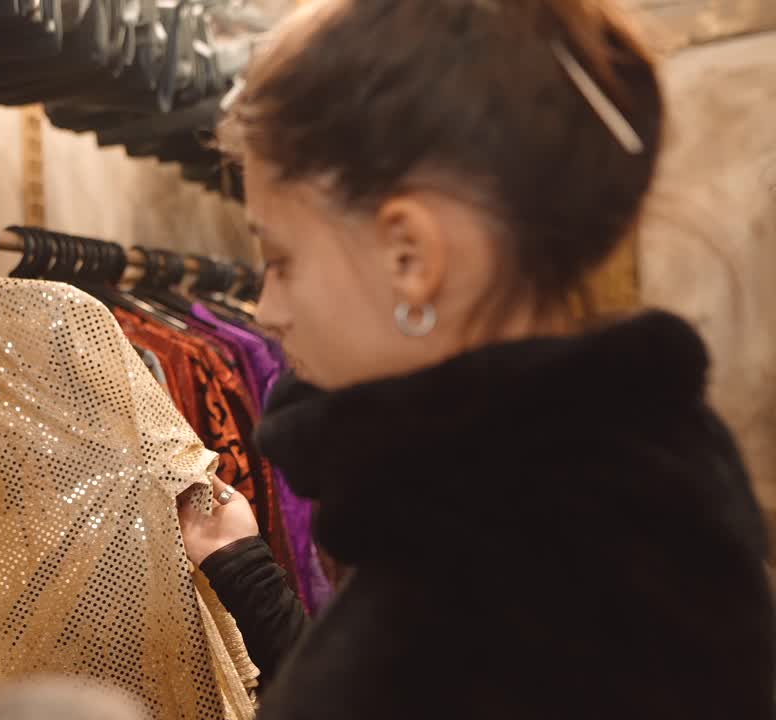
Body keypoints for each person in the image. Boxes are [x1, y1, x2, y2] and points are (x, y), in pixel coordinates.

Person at [178, 0, 775, 718]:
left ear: (411, 256)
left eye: (280, 259)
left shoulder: (494, 585)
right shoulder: (616, 492)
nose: (267, 308)